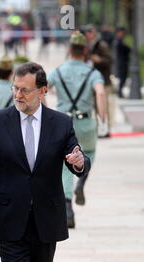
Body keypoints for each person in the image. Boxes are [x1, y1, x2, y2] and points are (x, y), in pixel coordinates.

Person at [0, 62, 91, 262]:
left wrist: (78, 162)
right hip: (9, 219)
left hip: (46, 221)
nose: (18, 95)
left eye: (25, 90)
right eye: (15, 88)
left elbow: (79, 160)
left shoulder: (61, 123)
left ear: (42, 91)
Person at [47, 31, 107, 228]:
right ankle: (82, 179)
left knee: (65, 165)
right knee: (88, 152)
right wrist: (103, 117)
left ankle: (67, 208)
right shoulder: (92, 73)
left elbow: (42, 90)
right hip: (87, 123)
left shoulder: (58, 71)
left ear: (69, 49)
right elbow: (100, 92)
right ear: (85, 51)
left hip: (63, 123)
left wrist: (47, 113)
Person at [83, 24, 114, 137]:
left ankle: (106, 129)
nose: (87, 34)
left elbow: (110, 60)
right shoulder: (86, 45)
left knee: (104, 106)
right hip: (91, 81)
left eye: (89, 31)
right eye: (86, 32)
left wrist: (99, 60)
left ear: (94, 32)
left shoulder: (101, 45)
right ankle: (98, 128)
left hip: (103, 80)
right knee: (95, 106)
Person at [113, 27, 130, 98]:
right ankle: (119, 92)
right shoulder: (117, 42)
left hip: (123, 62)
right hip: (121, 63)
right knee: (122, 78)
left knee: (123, 78)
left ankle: (120, 92)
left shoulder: (120, 41)